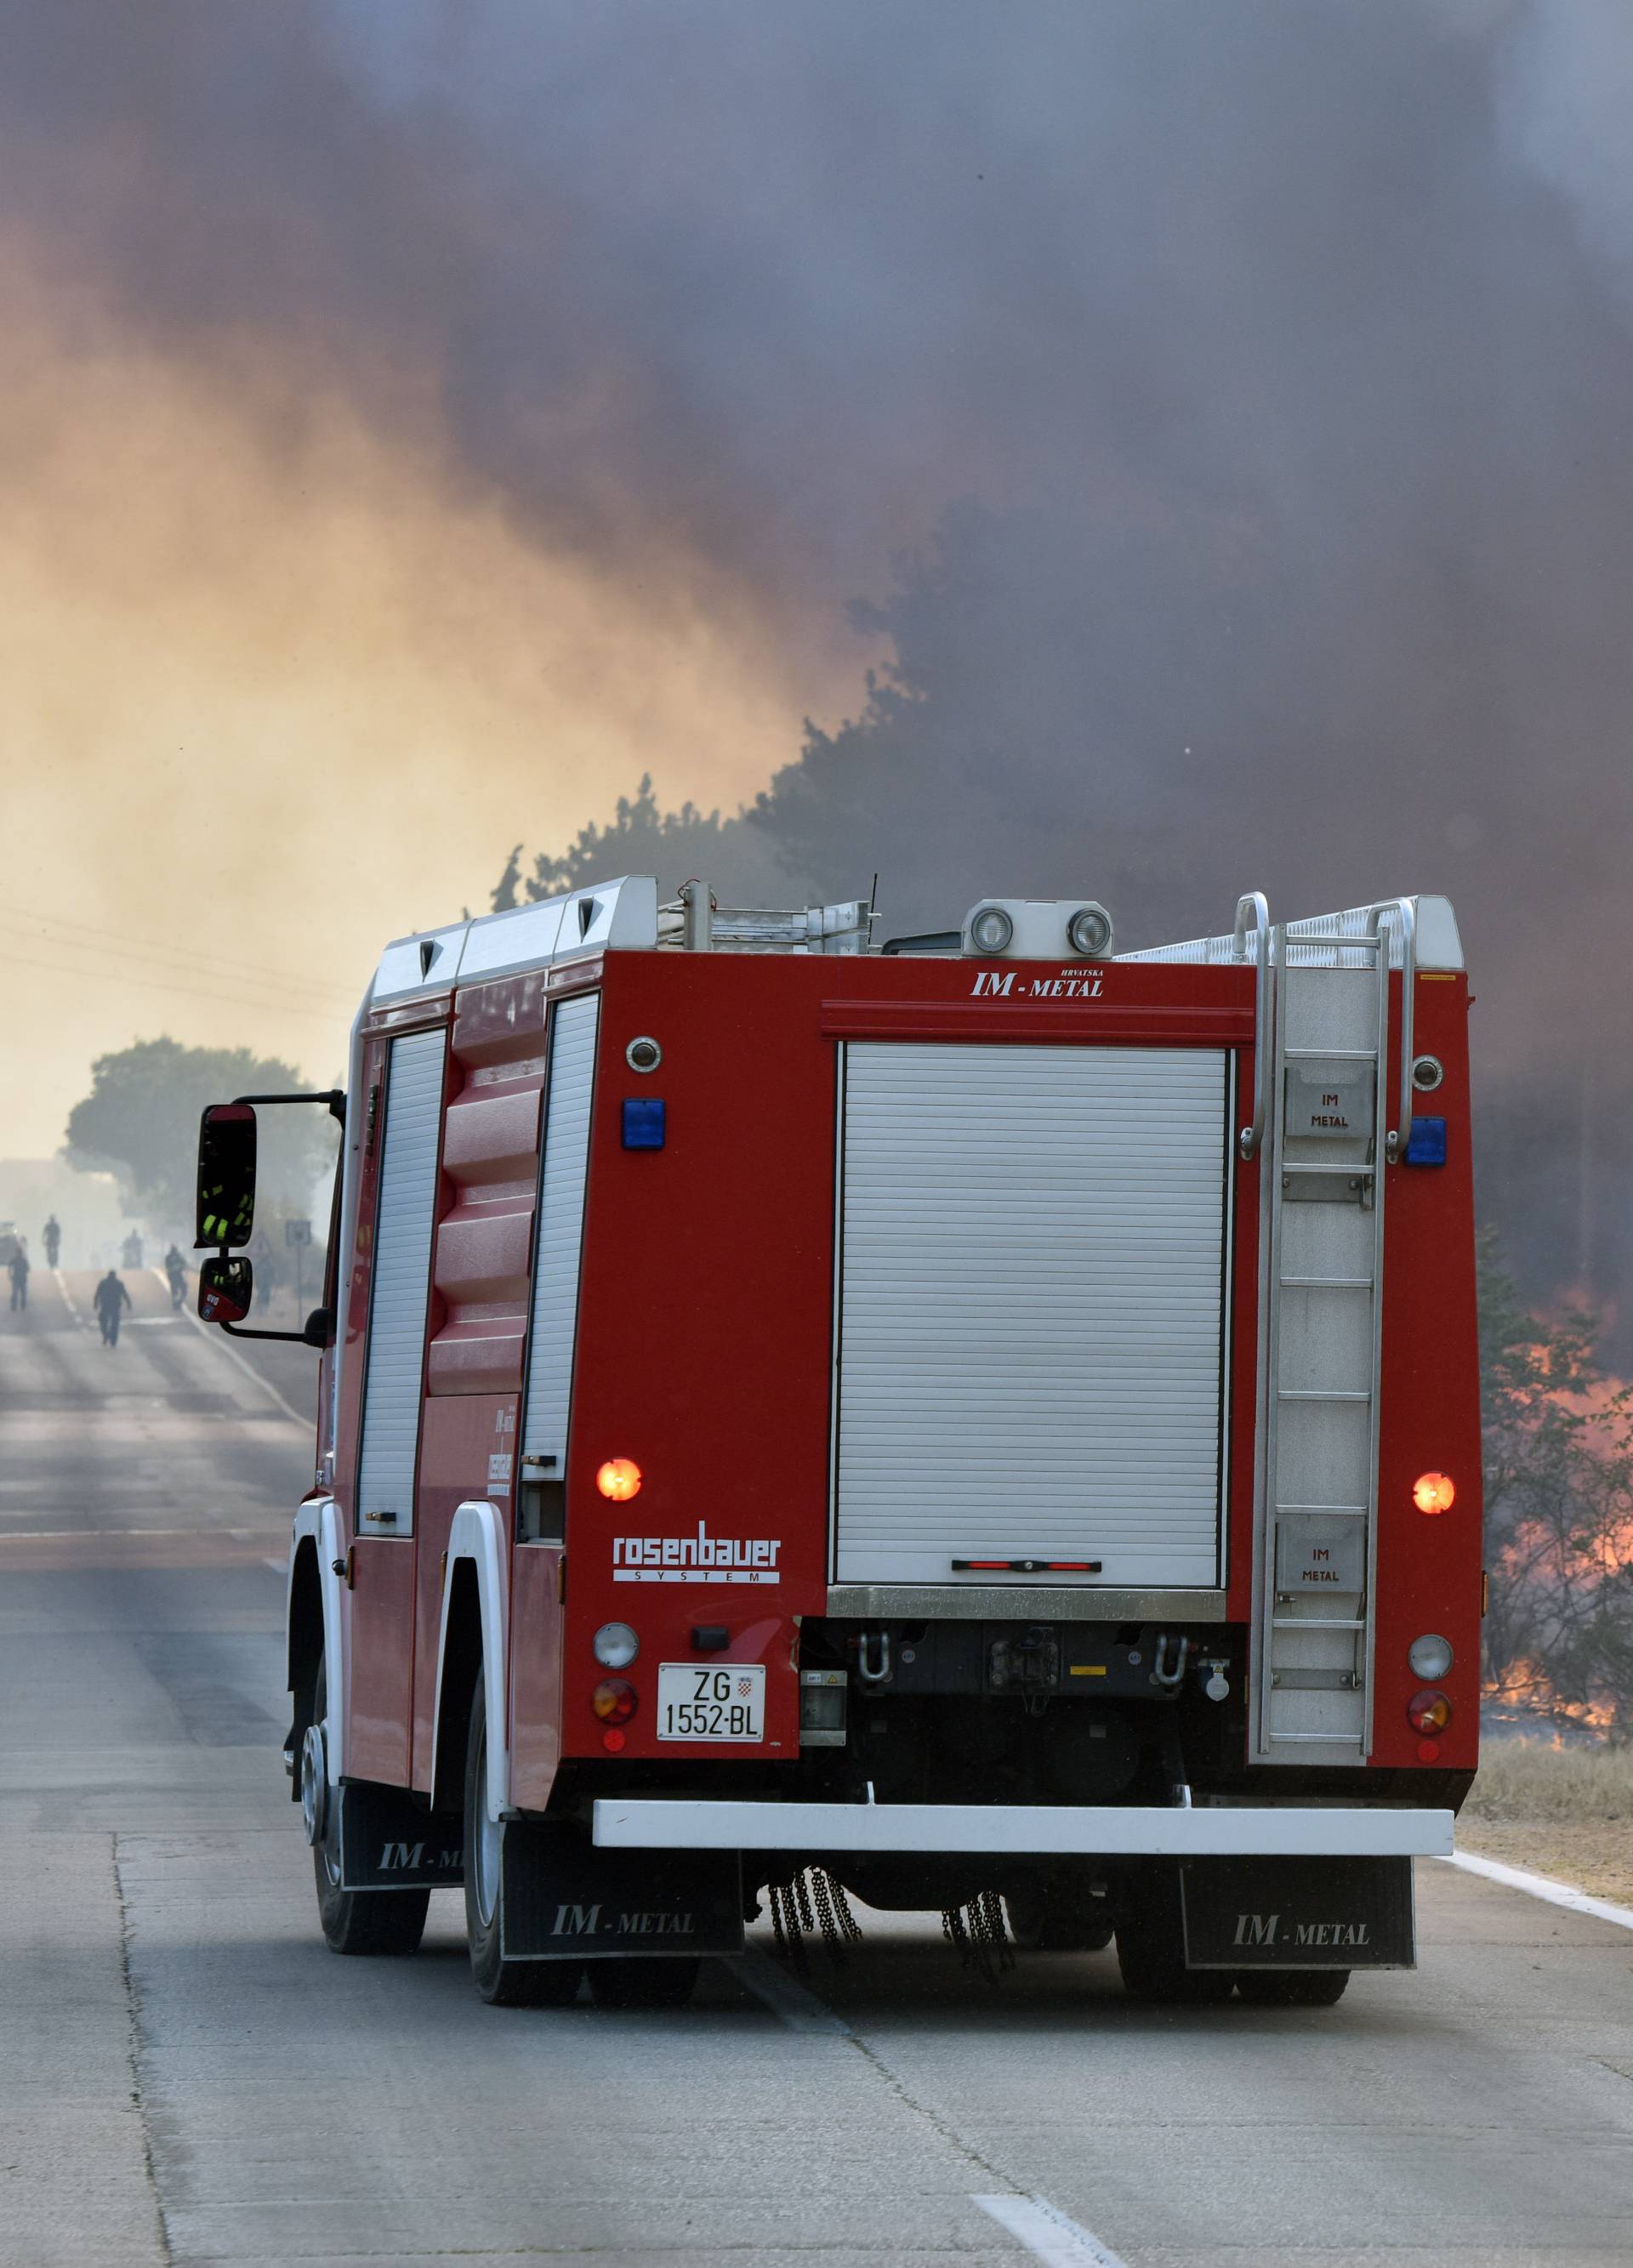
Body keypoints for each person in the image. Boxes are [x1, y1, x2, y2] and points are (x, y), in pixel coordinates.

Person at [94, 1268, 132, 1347]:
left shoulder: (104, 1283)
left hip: (107, 1305)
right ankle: (111, 1338)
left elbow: (97, 1294)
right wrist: (128, 1303)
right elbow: (125, 1294)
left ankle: (107, 1336)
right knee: (113, 1324)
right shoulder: (118, 1283)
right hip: (113, 1306)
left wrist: (96, 1303)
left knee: (105, 1322)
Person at [164, 1244, 187, 1310]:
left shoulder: (178, 1256)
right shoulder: (170, 1257)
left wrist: (180, 1266)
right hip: (174, 1275)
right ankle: (176, 1303)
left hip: (177, 1275)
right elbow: (168, 1266)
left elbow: (184, 1264)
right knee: (176, 1289)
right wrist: (177, 1267)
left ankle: (178, 1302)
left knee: (182, 1289)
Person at [8, 1241, 29, 1312]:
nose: (18, 1254)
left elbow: (27, 1269)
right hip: (18, 1279)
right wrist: (10, 1275)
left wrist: (10, 1275)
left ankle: (22, 1305)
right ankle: (15, 1305)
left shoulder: (22, 1260)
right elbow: (9, 1268)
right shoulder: (16, 1260)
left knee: (21, 1294)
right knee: (16, 1293)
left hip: (20, 1279)